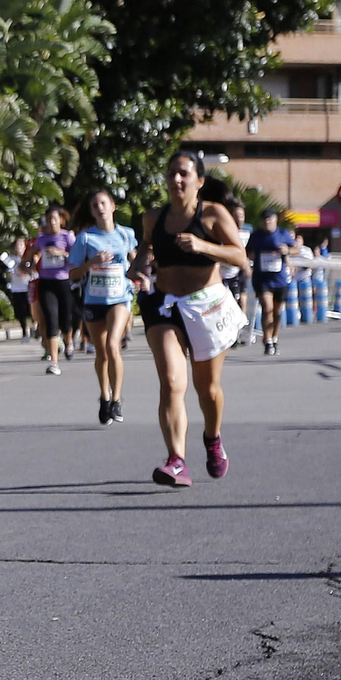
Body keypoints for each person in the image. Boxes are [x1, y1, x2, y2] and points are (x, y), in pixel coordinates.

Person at [131, 152, 249, 487]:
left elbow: (239, 255)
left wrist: (202, 245)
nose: (176, 180)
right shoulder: (154, 217)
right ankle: (176, 461)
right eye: (171, 174)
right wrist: (138, 264)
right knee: (171, 381)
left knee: (207, 389)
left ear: (199, 180)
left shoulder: (213, 214)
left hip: (206, 307)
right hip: (164, 306)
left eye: (183, 174)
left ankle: (212, 439)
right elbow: (147, 248)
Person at [68, 191, 137, 425]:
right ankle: (104, 396)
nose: (100, 208)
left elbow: (137, 263)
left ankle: (117, 398)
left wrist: (141, 274)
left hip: (120, 298)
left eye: (104, 203)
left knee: (112, 345)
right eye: (95, 205)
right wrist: (91, 263)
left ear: (113, 206)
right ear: (92, 211)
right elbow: (72, 273)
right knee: (101, 352)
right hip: (94, 300)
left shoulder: (126, 235)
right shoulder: (85, 239)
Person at [28, 206, 75, 375]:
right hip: (46, 282)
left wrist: (61, 253)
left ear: (61, 220)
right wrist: (31, 263)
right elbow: (32, 253)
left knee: (65, 321)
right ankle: (54, 362)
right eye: (48, 220)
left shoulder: (67, 236)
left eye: (54, 219)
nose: (51, 222)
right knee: (50, 319)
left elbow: (76, 257)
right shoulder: (41, 238)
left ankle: (69, 342)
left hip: (63, 281)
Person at [246, 210, 294, 355]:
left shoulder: (283, 234)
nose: (267, 222)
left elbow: (296, 248)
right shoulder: (256, 236)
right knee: (267, 308)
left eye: (270, 220)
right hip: (262, 278)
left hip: (279, 279)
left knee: (277, 311)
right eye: (264, 220)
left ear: (275, 220)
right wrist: (250, 256)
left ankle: (274, 338)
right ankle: (267, 341)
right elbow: (246, 251)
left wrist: (287, 250)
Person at [222, 200, 251, 344]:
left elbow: (250, 251)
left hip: (239, 272)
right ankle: (227, 333)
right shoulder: (222, 231)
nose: (239, 219)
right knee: (226, 304)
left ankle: (238, 333)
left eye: (242, 215)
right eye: (236, 215)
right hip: (223, 273)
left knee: (241, 301)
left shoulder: (247, 233)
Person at [5, 237, 35, 340]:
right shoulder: (11, 259)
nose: (19, 247)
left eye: (21, 245)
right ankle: (24, 332)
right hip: (17, 288)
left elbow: (33, 272)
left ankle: (35, 327)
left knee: (31, 310)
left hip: (28, 287)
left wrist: (26, 270)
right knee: (20, 311)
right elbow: (10, 273)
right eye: (17, 245)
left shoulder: (29, 259)